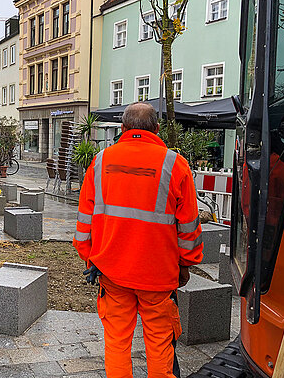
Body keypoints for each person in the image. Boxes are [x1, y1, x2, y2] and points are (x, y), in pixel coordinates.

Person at [73, 102, 204, 378]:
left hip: (113, 272)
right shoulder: (175, 164)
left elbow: (84, 220)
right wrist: (186, 265)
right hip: (158, 276)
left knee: (117, 343)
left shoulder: (100, 162)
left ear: (122, 128)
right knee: (159, 345)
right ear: (156, 129)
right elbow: (189, 227)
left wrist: (90, 257)